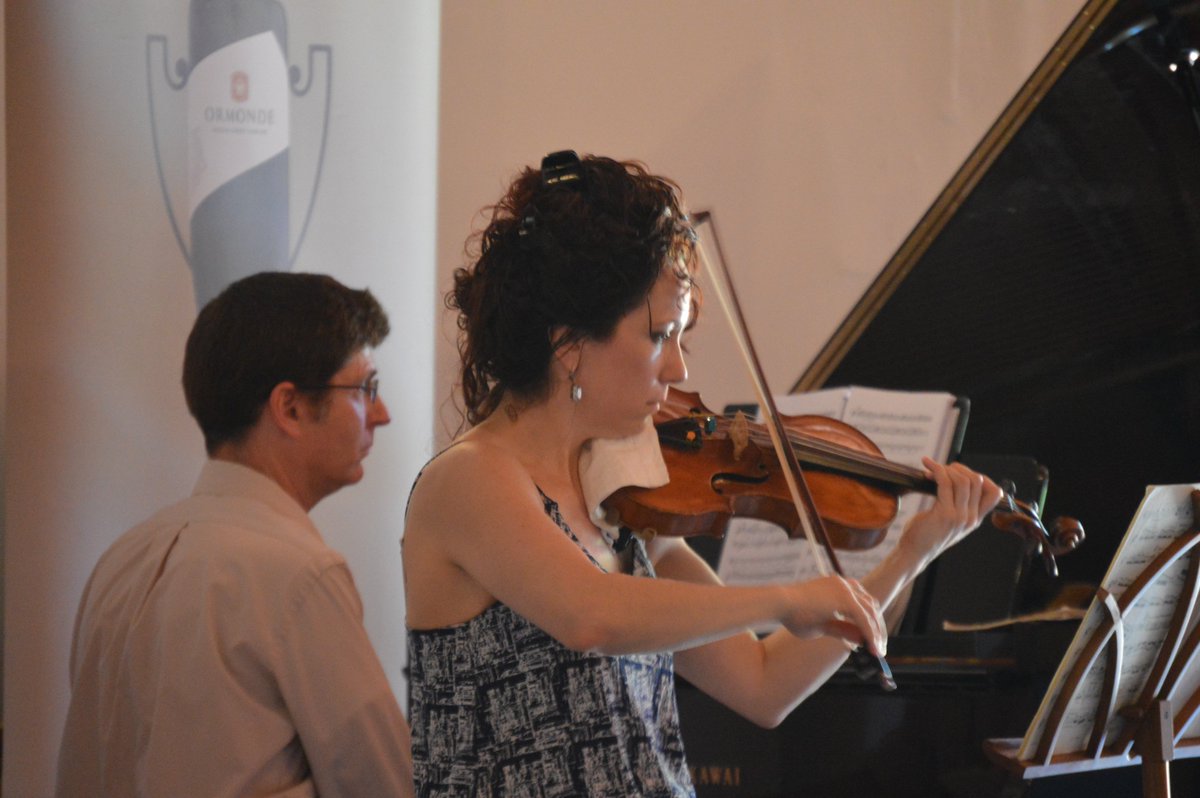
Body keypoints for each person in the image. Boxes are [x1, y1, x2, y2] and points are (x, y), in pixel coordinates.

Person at [402, 152, 1003, 797]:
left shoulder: (619, 493)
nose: (678, 371)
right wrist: (784, 598)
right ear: (569, 342)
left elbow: (763, 685)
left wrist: (908, 555)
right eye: (660, 334)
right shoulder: (468, 481)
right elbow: (592, 616)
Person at [57, 272, 415, 797]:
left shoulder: (121, 558)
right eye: (365, 388)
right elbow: (385, 785)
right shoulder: (298, 575)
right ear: (289, 408)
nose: (382, 415)